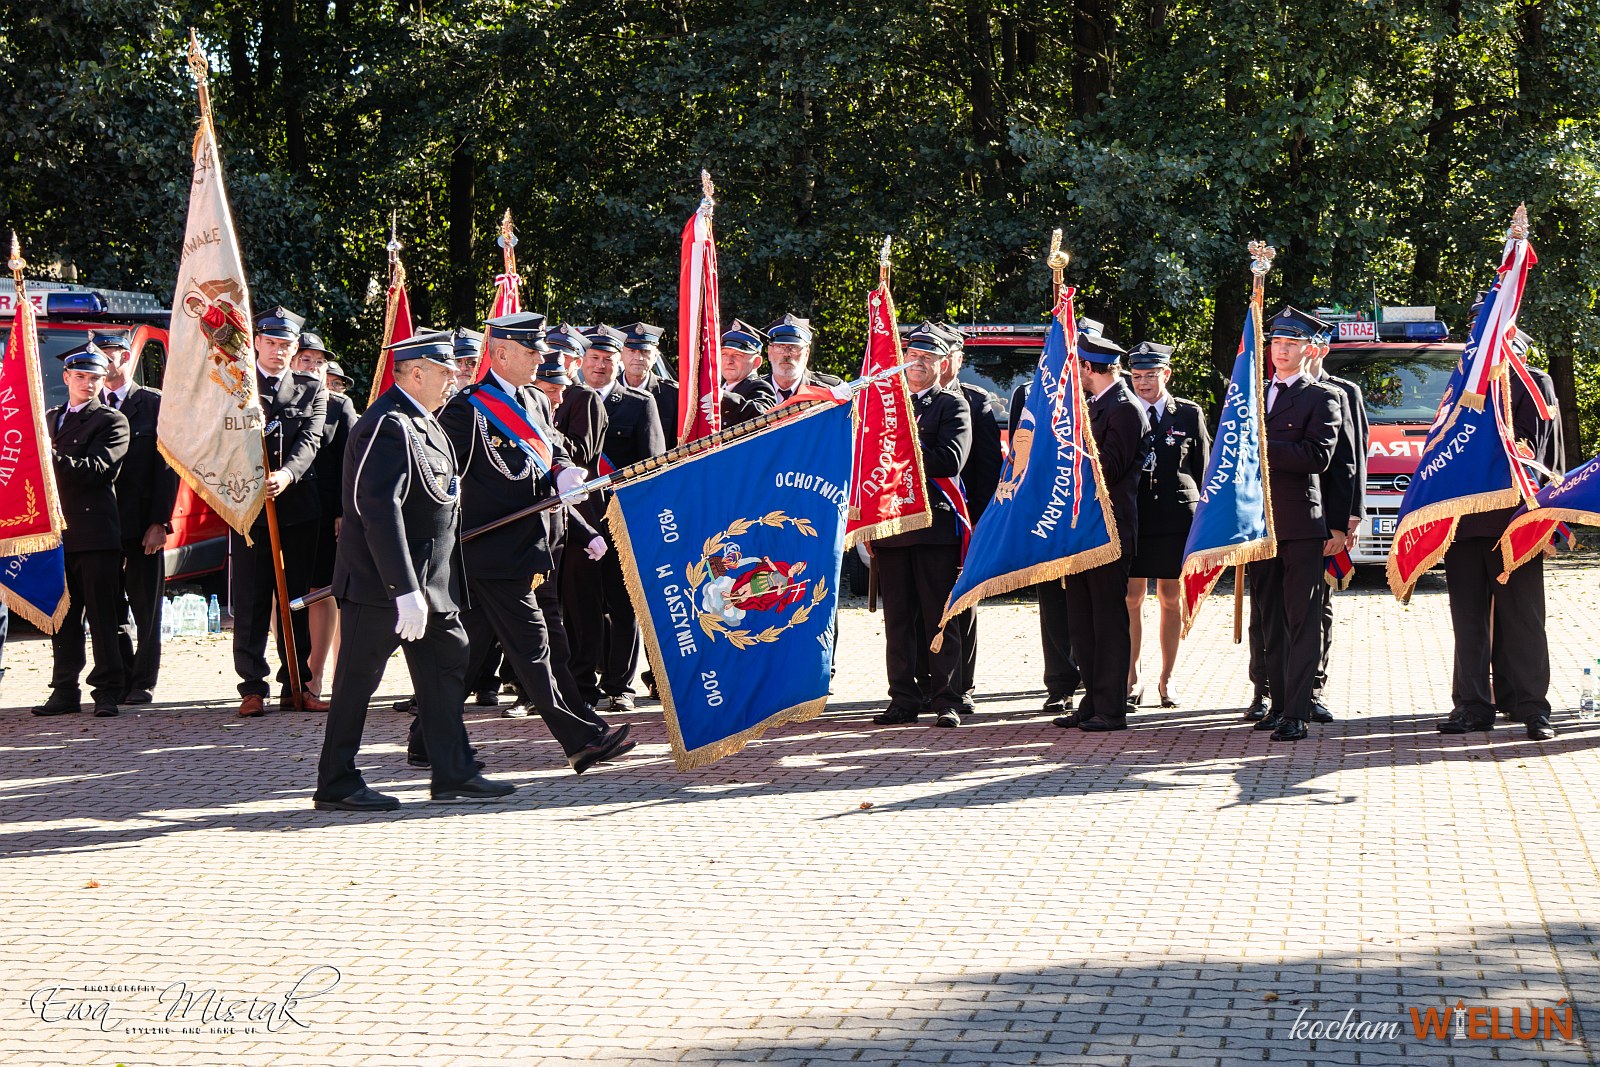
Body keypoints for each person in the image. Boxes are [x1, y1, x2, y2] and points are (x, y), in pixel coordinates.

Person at [412, 312, 636, 772]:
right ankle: (582, 740)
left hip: (532, 548)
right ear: (500, 354)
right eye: (531, 351)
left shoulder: (533, 399)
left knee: (471, 652)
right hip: (490, 552)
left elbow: (552, 448)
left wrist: (563, 471)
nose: (540, 359)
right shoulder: (467, 409)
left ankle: (425, 739)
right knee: (536, 650)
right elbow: (436, 475)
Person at [312, 330, 516, 811]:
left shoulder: (423, 421)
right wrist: (403, 589)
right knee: (357, 681)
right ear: (417, 373)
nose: (455, 378)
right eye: (446, 371)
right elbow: (378, 509)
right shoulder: (387, 425)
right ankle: (336, 780)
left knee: (448, 662)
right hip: (382, 587)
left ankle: (452, 772)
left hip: (429, 586)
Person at [1437, 326, 1560, 741]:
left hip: (1513, 522)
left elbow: (1529, 448)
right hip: (1463, 520)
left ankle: (1532, 707)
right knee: (1468, 620)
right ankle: (1472, 706)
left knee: (1523, 620)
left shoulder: (1532, 380)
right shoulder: (1460, 382)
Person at [870, 322, 972, 729]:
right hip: (892, 526)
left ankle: (946, 698)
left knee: (939, 618)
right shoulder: (885, 406)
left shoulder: (952, 405)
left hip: (934, 529)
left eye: (927, 357)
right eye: (912, 356)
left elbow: (950, 460)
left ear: (942, 364)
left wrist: (900, 448)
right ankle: (902, 698)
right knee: (897, 621)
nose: (917, 363)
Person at [1251, 307, 1342, 742]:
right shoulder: (1252, 394)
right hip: (1258, 523)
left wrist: (1262, 446)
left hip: (1301, 523)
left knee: (1301, 620)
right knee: (1270, 619)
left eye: (1290, 344)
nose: (1280, 351)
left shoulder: (1322, 396)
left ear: (1308, 349)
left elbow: (1317, 456)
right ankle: (1279, 702)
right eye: (1276, 343)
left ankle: (1298, 711)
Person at [233, 305, 329, 716]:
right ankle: (252, 687)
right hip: (248, 507)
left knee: (295, 599)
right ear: (256, 342)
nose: (277, 350)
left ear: (294, 348)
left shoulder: (311, 388)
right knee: (252, 599)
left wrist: (288, 474)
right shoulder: (233, 384)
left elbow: (311, 440)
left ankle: (296, 683)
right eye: (270, 342)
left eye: (285, 344)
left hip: (297, 506)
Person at [1055, 326, 1149, 733]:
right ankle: (1091, 700)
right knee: (1082, 621)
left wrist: (1065, 449)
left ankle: (1111, 707)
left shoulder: (1125, 409)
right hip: (1083, 529)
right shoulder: (1095, 405)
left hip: (1109, 529)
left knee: (1108, 621)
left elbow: (1107, 468)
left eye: (1076, 367)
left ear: (1089, 367)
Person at [572, 323, 666, 711]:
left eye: (607, 360)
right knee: (581, 605)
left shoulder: (639, 404)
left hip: (619, 521)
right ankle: (581, 683)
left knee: (624, 605)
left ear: (619, 362)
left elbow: (652, 467)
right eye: (593, 358)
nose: (600, 366)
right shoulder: (569, 400)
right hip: (576, 521)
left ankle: (619, 686)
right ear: (582, 361)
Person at [32, 342, 129, 718]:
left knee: (103, 617)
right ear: (66, 377)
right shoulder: (50, 419)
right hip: (56, 535)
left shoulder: (111, 421)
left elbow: (97, 470)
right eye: (80, 376)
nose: (87, 384)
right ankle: (64, 690)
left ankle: (107, 691)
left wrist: (47, 456)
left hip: (95, 534)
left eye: (94, 378)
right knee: (62, 618)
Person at [1123, 341, 1209, 709]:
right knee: (1131, 598)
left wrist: (1207, 522)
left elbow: (1204, 470)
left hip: (1176, 519)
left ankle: (1167, 677)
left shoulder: (1188, 414)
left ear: (1166, 374)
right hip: (1135, 517)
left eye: (1150, 375)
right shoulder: (1123, 411)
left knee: (1171, 598)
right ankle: (1131, 677)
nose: (1142, 383)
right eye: (1136, 376)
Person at [95, 330, 177, 706]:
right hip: (100, 525)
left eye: (109, 354)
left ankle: (143, 680)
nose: (103, 361)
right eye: (98, 354)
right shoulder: (88, 406)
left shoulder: (153, 403)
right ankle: (120, 675)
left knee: (146, 608)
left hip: (143, 521)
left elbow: (167, 467)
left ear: (126, 357)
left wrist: (160, 522)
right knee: (109, 607)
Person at [532, 353, 609, 718]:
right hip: (522, 541)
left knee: (569, 617)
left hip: (563, 531)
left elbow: (570, 469)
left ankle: (579, 700)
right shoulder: (512, 419)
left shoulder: (567, 413)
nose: (559, 399)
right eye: (551, 390)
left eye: (562, 390)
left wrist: (586, 532)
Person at [938, 327, 1003, 713]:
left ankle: (962, 685)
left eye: (948, 354)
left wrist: (979, 519)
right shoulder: (908, 399)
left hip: (964, 519)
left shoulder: (976, 401)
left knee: (963, 602)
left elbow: (988, 467)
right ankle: (930, 684)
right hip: (924, 519)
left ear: (958, 359)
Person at [293, 330, 359, 698]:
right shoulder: (273, 400)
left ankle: (315, 677)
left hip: (325, 516)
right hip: (287, 514)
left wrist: (342, 512)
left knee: (321, 592)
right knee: (285, 595)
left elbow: (350, 464)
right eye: (306, 360)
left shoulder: (338, 406)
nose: (313, 367)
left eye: (319, 362)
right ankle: (292, 671)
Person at [1305, 330, 1365, 722]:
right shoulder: (1261, 389)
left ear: (1321, 350)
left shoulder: (1343, 392)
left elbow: (1353, 457)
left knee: (1317, 605)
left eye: (1303, 344)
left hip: (1325, 515)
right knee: (1266, 608)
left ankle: (1313, 686)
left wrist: (1349, 517)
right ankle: (1264, 688)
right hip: (1275, 519)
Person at [620, 322, 679, 448]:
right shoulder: (607, 391)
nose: (638, 358)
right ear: (620, 354)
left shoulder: (673, 396)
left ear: (655, 356)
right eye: (632, 351)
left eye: (645, 351)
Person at [765, 314, 842, 401]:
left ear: (806, 354)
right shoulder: (754, 392)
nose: (786, 354)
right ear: (769, 352)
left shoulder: (832, 391)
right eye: (780, 347)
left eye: (794, 347)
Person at [719, 319, 779, 425]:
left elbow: (762, 417)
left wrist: (723, 397)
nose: (729, 361)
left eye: (737, 355)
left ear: (756, 362)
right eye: (724, 354)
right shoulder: (720, 387)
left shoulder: (760, 387)